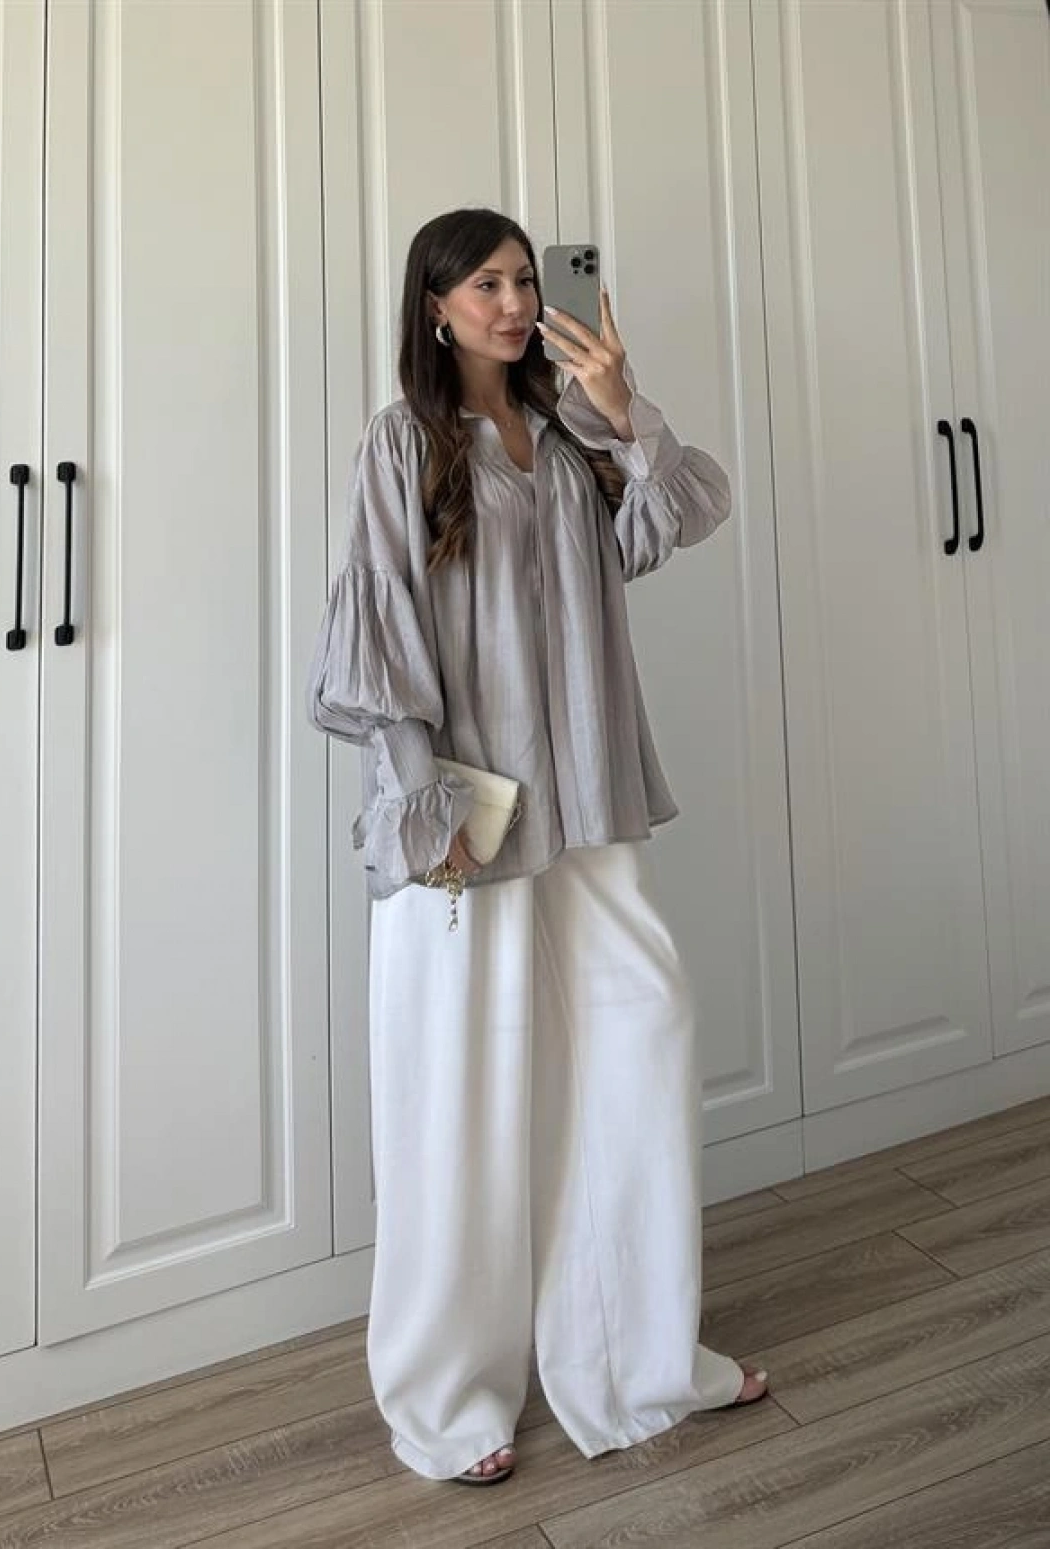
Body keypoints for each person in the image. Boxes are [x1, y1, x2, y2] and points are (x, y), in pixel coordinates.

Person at [307, 208, 768, 1486]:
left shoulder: (567, 433)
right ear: (437, 304)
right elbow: (380, 631)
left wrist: (624, 406)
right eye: (488, 285)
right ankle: (453, 1394)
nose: (515, 304)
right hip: (474, 819)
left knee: (638, 1044)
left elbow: (681, 514)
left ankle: (637, 1356)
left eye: (526, 280)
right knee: (461, 1099)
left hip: (588, 802)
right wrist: (426, 810)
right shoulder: (402, 442)